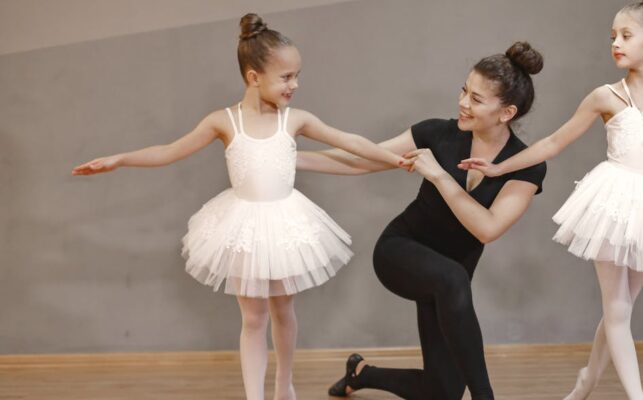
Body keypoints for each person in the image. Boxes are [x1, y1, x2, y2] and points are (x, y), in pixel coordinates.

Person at [71, 13, 405, 400]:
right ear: (253, 77)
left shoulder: (295, 120)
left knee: (283, 311)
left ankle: (283, 385)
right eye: (286, 77)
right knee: (253, 318)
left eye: (297, 75)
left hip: (285, 224)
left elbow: (349, 141)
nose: (294, 85)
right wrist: (120, 158)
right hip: (244, 226)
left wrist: (393, 159)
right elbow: (168, 150)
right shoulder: (223, 121)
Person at [459, 2, 643, 399]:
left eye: (625, 36)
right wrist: (499, 168)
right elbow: (554, 141)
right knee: (617, 310)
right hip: (613, 204)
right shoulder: (605, 97)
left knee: (622, 310)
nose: (615, 43)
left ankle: (585, 385)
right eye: (613, 36)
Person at [297, 42, 547, 400]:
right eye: (464, 90)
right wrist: (291, 160)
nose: (462, 102)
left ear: (506, 112)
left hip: (449, 284)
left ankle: (361, 373)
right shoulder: (437, 133)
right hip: (400, 251)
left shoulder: (526, 164)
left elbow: (487, 228)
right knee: (453, 278)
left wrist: (440, 177)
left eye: (476, 99)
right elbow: (365, 158)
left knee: (442, 392)